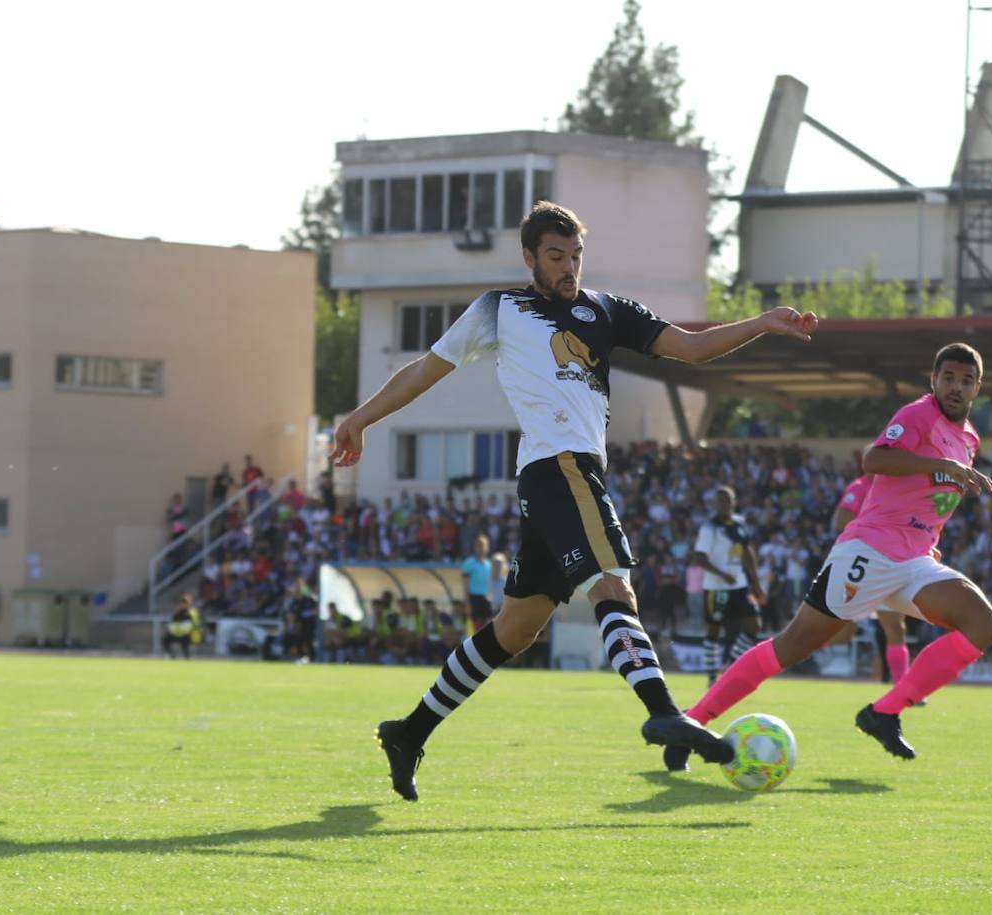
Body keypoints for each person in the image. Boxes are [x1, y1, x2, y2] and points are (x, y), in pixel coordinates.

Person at [332, 200, 817, 801]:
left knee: (515, 629)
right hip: (558, 468)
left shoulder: (606, 310)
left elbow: (690, 348)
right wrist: (360, 418)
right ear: (530, 257)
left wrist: (759, 323)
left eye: (576, 256)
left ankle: (410, 730)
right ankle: (663, 709)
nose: (569, 268)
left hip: (565, 474)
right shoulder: (499, 308)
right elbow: (424, 371)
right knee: (614, 586)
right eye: (556, 257)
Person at [662, 343, 992, 770]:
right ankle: (692, 722)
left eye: (966, 381)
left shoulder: (969, 438)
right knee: (792, 645)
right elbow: (874, 459)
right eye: (948, 377)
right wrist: (944, 467)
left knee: (982, 625)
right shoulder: (917, 415)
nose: (956, 386)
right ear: (933, 380)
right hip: (870, 551)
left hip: (915, 561)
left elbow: (928, 503)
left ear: (977, 388)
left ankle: (883, 712)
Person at [832, 474, 912, 687]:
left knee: (895, 628)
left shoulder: (900, 485)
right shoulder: (860, 487)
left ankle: (902, 686)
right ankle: (786, 656)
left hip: (889, 563)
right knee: (835, 628)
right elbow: (840, 520)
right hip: (861, 562)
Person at [692, 486, 764, 684]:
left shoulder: (740, 523)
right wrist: (722, 575)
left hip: (739, 584)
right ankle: (712, 677)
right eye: (720, 501)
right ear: (714, 504)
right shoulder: (709, 528)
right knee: (714, 629)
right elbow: (699, 558)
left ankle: (731, 666)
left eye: (727, 500)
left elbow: (747, 553)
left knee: (754, 625)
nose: (724, 504)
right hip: (716, 587)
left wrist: (756, 584)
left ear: (734, 502)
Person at [460, 535, 494, 635]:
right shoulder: (469, 563)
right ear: (475, 547)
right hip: (474, 598)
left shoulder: (489, 564)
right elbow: (465, 584)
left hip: (486, 598)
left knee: (488, 625)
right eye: (478, 545)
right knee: (475, 628)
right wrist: (467, 603)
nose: (481, 548)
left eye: (483, 545)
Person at [163, 594, 200, 659]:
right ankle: (172, 656)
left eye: (185, 602)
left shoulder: (192, 612)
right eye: (183, 602)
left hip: (189, 635)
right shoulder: (178, 612)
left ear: (189, 603)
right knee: (165, 639)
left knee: (185, 644)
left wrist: (190, 630)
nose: (183, 604)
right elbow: (172, 622)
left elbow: (195, 624)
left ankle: (187, 658)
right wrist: (170, 631)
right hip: (177, 634)